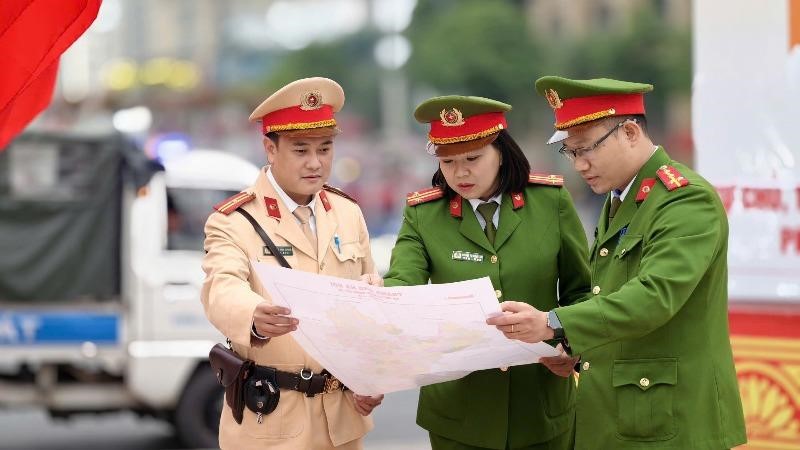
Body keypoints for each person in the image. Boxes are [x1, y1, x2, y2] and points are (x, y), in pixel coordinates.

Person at [488, 76, 748, 449]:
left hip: (674, 422)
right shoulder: (621, 200)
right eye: (571, 153)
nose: (579, 164)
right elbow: (608, 296)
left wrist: (552, 323)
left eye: (586, 149)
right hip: (626, 417)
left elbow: (653, 297)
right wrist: (573, 348)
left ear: (628, 132)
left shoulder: (685, 201)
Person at [383, 95, 591, 450]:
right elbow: (404, 284)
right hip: (458, 410)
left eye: (473, 158)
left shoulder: (550, 201)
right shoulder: (423, 215)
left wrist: (571, 346)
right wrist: (380, 293)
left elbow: (581, 291)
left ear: (501, 150)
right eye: (447, 162)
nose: (460, 173)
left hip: (541, 404)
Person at [201, 77, 384, 450]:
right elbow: (222, 286)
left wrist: (371, 379)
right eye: (300, 150)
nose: (315, 163)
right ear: (270, 148)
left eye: (325, 148)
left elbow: (370, 302)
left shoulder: (348, 213)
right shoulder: (233, 220)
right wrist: (254, 314)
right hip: (271, 419)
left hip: (342, 420)